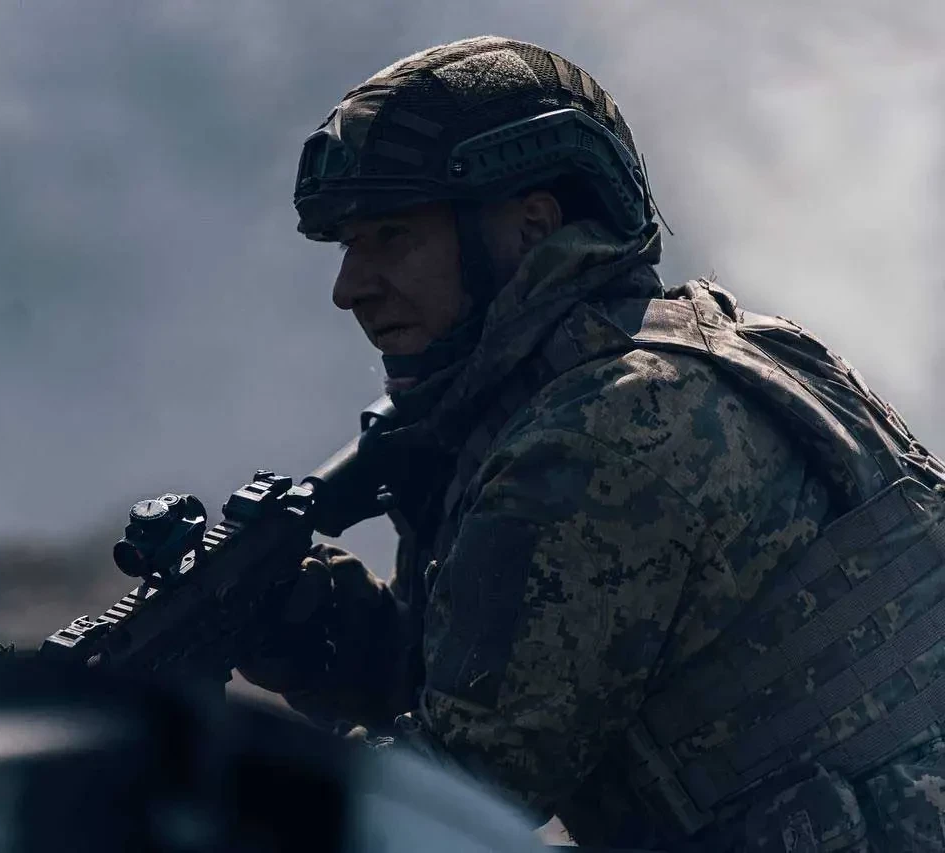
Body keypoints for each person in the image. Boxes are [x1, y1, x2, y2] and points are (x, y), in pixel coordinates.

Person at [236, 35, 945, 853]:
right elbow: (511, 663)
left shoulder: (597, 436)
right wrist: (304, 625)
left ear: (530, 228)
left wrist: (206, 786)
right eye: (349, 244)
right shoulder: (724, 349)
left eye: (392, 236)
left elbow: (454, 791)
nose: (349, 286)